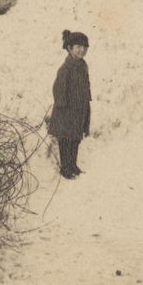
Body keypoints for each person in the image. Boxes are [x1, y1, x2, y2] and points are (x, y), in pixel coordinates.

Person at [47, 30, 92, 179]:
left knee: (76, 139)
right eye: (78, 47)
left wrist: (87, 100)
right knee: (66, 140)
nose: (82, 50)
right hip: (66, 111)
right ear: (69, 48)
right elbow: (57, 89)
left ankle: (73, 164)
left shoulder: (83, 65)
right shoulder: (65, 69)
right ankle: (65, 168)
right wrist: (63, 106)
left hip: (80, 109)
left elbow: (86, 84)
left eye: (85, 47)